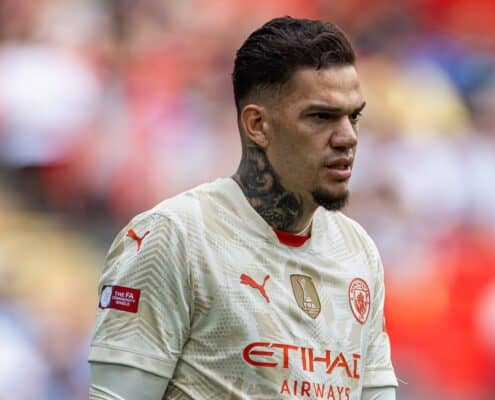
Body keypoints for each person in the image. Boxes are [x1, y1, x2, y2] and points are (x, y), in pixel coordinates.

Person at [88, 16, 399, 399]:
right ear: (258, 125)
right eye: (321, 116)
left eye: (354, 116)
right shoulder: (173, 236)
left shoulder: (358, 251)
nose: (348, 137)